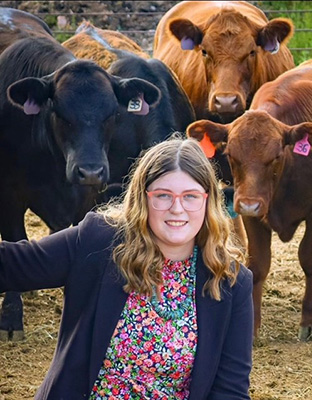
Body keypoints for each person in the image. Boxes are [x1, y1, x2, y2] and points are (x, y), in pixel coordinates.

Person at [0, 135, 254, 400]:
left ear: (208, 200)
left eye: (190, 196)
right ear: (143, 198)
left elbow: (230, 390)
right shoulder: (99, 242)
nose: (177, 209)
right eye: (163, 195)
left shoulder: (230, 280)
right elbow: (11, 265)